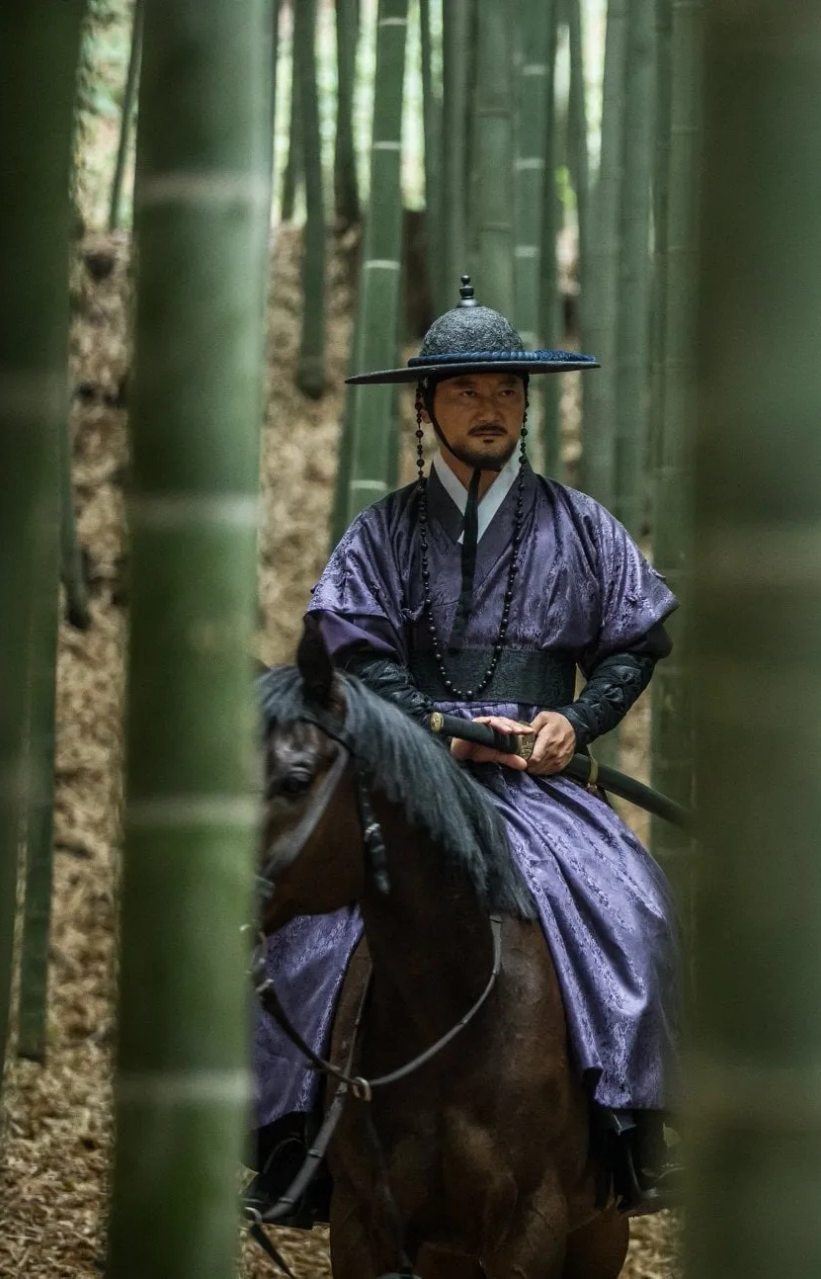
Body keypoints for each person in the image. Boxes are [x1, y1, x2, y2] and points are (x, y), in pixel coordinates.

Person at [246, 277, 680, 1219]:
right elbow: (349, 656)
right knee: (311, 923)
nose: (492, 408)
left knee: (632, 901)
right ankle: (290, 1137)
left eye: (508, 391)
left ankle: (628, 1126)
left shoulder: (582, 525)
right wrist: (438, 729)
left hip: (539, 779)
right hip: (408, 777)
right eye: (469, 389)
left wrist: (578, 722)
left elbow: (637, 641)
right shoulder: (381, 533)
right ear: (428, 404)